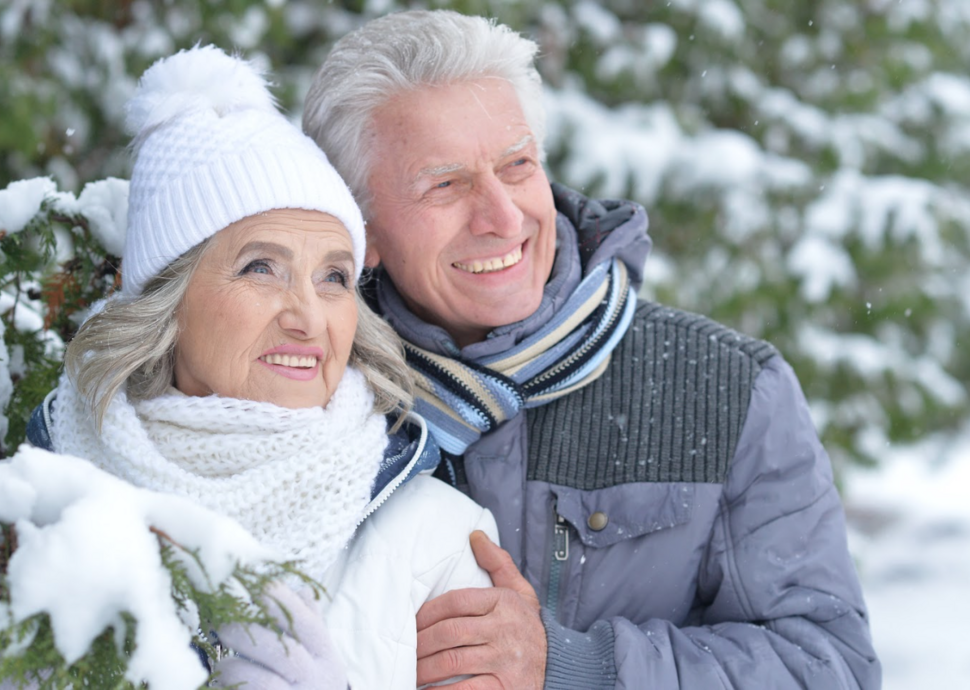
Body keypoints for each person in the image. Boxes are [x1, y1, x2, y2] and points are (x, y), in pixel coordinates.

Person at [301, 9, 881, 689]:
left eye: (517, 166)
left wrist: (579, 666)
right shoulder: (310, 388)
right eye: (446, 184)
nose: (504, 217)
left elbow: (830, 668)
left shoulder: (726, 390)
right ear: (359, 226)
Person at [25, 44, 499, 689]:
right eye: (260, 268)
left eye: (333, 276)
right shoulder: (38, 506)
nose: (308, 315)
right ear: (168, 301)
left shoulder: (438, 539)